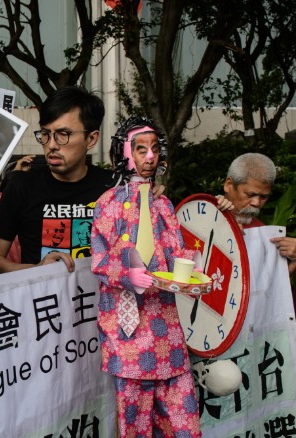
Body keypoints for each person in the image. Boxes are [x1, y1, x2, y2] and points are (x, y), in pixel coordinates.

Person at [91, 117, 200, 438]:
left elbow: (175, 258)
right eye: (141, 149)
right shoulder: (107, 205)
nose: (150, 157)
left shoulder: (164, 205)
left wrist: (189, 270)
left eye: (154, 149)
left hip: (169, 334)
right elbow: (99, 261)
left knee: (185, 425)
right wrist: (126, 274)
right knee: (135, 429)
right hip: (129, 340)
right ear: (124, 153)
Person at [0, 86, 113, 273]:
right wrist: (37, 270)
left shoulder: (113, 189)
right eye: (45, 134)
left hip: (99, 301)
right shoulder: (21, 185)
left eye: (63, 134)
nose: (51, 145)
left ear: (91, 139)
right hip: (42, 301)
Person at [221, 152, 296, 274]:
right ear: (229, 185)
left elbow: (268, 286)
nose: (256, 202)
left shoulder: (263, 234)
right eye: (250, 194)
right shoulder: (200, 215)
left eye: (264, 197)